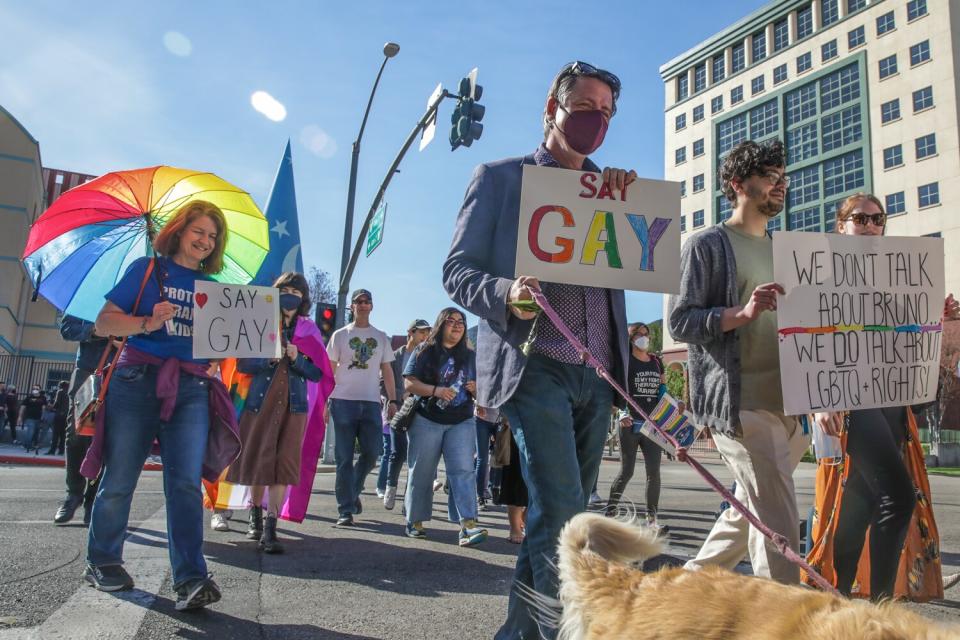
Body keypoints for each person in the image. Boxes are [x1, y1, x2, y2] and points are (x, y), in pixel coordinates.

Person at [443, 60, 634, 638]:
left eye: (606, 113)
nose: (595, 121)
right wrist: (508, 292)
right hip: (535, 367)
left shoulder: (616, 193)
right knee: (566, 514)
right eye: (584, 108)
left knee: (557, 516)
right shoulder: (500, 179)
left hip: (597, 374)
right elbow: (457, 271)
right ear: (551, 109)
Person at [81, 199, 240, 611]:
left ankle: (190, 577)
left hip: (191, 387)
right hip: (136, 381)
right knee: (120, 477)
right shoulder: (147, 270)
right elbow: (104, 323)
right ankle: (102, 561)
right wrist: (148, 321)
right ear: (180, 231)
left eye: (212, 235)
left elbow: (227, 346)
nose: (206, 241)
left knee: (186, 483)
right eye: (199, 231)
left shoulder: (217, 291)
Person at [669, 139, 810, 585]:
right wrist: (742, 314)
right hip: (740, 402)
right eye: (770, 177)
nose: (780, 185)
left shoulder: (788, 249)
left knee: (751, 508)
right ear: (737, 185)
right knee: (779, 524)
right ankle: (779, 618)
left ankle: (689, 585)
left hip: (791, 405)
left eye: (782, 177)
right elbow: (678, 320)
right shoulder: (706, 245)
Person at [806, 193, 957, 601]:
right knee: (897, 494)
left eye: (878, 220)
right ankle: (882, 604)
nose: (871, 226)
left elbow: (903, 340)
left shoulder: (897, 278)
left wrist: (934, 322)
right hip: (851, 401)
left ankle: (836, 595)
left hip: (891, 400)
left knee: (863, 498)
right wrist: (818, 400)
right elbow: (806, 343)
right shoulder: (820, 274)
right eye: (860, 219)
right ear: (841, 226)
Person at [226, 272, 324, 554]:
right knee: (260, 461)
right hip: (260, 403)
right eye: (284, 289)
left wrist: (298, 358)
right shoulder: (259, 323)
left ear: (304, 297)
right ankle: (255, 515)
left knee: (284, 466)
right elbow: (242, 364)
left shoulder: (310, 330)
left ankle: (271, 526)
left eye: (296, 290)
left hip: (294, 408)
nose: (290, 294)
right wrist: (264, 359)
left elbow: (318, 373)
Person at [401, 307, 486, 546]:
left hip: (461, 420)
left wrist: (475, 388)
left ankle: (468, 525)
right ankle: (414, 521)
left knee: (463, 471)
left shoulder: (471, 356)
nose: (457, 325)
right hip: (427, 419)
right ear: (441, 325)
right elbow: (409, 382)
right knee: (422, 471)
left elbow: (484, 387)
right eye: (451, 321)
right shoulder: (425, 350)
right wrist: (436, 391)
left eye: (461, 322)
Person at [326, 289, 397, 527]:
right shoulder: (340, 335)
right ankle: (345, 510)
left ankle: (353, 490)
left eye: (367, 301)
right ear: (352, 307)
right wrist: (325, 401)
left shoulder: (381, 337)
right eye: (359, 302)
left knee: (372, 452)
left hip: (370, 402)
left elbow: (387, 370)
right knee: (344, 458)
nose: (363, 305)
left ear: (372, 306)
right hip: (342, 400)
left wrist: (393, 401)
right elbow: (330, 370)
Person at [606, 322, 669, 532]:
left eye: (646, 334)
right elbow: (617, 389)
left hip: (653, 426)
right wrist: (621, 412)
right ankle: (610, 512)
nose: (644, 338)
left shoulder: (657, 362)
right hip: (630, 424)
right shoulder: (626, 362)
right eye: (639, 334)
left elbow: (662, 390)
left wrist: (674, 404)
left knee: (654, 473)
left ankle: (652, 520)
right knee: (627, 471)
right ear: (631, 338)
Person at [382, 319, 431, 510]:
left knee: (416, 456)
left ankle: (408, 500)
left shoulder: (426, 357)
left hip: (419, 411)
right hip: (398, 409)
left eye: (427, 333)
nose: (424, 337)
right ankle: (390, 488)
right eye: (421, 333)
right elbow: (383, 382)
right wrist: (393, 398)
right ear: (410, 333)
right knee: (397, 452)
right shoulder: (396, 356)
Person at [21, 384, 48, 453]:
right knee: (30, 431)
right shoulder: (28, 397)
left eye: (37, 389)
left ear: (40, 390)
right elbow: (23, 407)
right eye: (34, 389)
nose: (35, 390)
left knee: (36, 433)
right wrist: (19, 417)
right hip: (30, 417)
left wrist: (43, 416)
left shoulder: (43, 398)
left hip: (39, 418)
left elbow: (44, 408)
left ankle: (30, 444)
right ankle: (28, 446)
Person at [46, 380, 70, 455]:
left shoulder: (60, 392)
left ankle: (52, 450)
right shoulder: (70, 392)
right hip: (67, 415)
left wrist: (51, 407)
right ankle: (61, 450)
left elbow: (57, 403)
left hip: (59, 415)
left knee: (56, 434)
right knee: (63, 434)